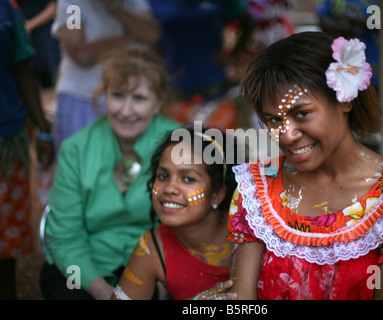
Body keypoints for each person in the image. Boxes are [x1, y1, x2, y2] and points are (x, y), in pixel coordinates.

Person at [227, 32, 383, 300]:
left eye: (301, 113)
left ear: (345, 100)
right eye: (273, 120)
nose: (286, 134)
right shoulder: (256, 189)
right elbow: (241, 300)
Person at [39, 48, 180, 300]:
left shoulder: (179, 145)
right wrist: (105, 293)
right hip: (88, 266)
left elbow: (188, 226)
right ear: (103, 95)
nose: (126, 111)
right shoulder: (76, 149)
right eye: (117, 95)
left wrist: (158, 285)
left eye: (139, 98)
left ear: (158, 102)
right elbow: (65, 237)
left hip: (161, 265)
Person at [111, 126, 238, 300]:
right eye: (163, 176)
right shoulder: (154, 247)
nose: (170, 188)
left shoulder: (250, 238)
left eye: (188, 179)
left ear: (217, 194)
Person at [51, 0, 160, 157]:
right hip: (83, 100)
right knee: (83, 164)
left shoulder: (134, 2)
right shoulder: (73, 4)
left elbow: (150, 34)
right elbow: (80, 53)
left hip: (130, 99)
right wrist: (128, 38)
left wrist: (113, 6)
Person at [0, 0, 54, 300]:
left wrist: (43, 129)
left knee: (4, 241)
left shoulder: (7, 10)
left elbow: (23, 69)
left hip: (6, 139)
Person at [148, 0, 254, 131]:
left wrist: (233, 56)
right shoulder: (153, 3)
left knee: (220, 149)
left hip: (216, 94)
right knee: (177, 149)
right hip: (173, 96)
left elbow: (248, 22)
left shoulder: (223, 3)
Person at [16, 0, 60, 89]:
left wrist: (28, 25)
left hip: (42, 38)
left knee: (46, 81)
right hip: (21, 35)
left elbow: (52, 8)